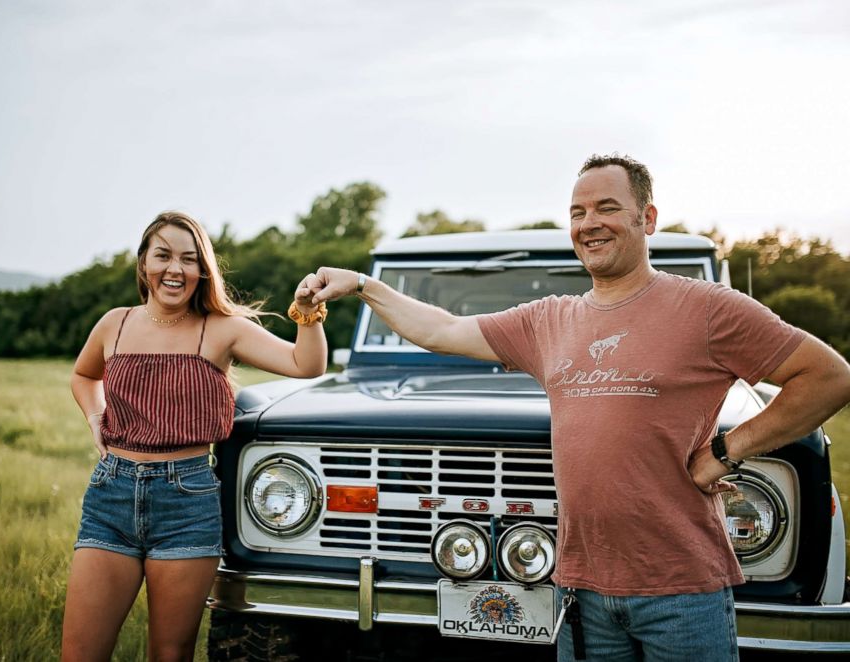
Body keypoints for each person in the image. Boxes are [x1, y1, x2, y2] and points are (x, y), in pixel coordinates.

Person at [301, 154, 850, 661]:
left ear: (647, 218)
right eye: (578, 212)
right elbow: (442, 329)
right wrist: (363, 286)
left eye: (608, 208)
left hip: (681, 590)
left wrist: (727, 451)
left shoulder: (707, 309)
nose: (590, 223)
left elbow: (828, 377)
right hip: (581, 587)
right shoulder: (549, 320)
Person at [61, 211, 328, 662]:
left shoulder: (221, 329)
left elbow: (307, 364)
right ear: (144, 263)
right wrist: (95, 416)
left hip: (186, 502)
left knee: (169, 653)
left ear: (202, 270)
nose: (175, 269)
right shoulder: (116, 324)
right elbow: (84, 375)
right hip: (111, 495)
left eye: (189, 259)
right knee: (80, 654)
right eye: (163, 255)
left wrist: (306, 310)